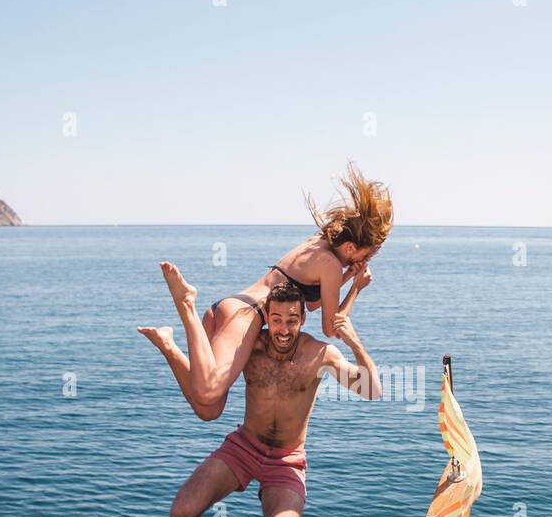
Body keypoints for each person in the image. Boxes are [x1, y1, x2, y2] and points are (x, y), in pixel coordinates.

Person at [160, 280, 380, 517]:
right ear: (266, 318)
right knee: (181, 511)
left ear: (302, 318)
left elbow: (373, 390)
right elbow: (206, 374)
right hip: (244, 446)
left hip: (287, 460)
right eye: (275, 320)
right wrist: (182, 328)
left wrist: (354, 340)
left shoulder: (319, 353)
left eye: (291, 320)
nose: (282, 329)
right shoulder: (250, 347)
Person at [138, 164, 392, 421]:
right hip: (248, 314)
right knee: (207, 391)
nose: (367, 259)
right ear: (350, 246)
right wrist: (356, 289)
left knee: (209, 409)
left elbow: (312, 303)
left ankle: (168, 344)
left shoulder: (317, 245)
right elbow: (331, 327)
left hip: (229, 307)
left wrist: (349, 276)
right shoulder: (331, 265)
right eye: (366, 253)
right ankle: (187, 304)